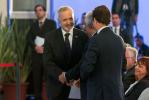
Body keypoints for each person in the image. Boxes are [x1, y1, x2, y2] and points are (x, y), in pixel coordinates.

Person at [79, 5, 124, 100]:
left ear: (94, 20)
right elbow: (124, 65)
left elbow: (87, 68)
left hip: (99, 94)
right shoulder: (119, 39)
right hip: (117, 93)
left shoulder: (95, 40)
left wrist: (80, 75)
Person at [43, 6, 88, 100]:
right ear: (59, 21)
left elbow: (85, 60)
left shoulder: (83, 36)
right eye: (65, 20)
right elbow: (48, 62)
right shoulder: (50, 37)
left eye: (70, 18)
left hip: (77, 85)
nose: (68, 22)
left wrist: (78, 77)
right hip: (56, 87)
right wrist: (61, 76)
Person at [59, 11, 96, 100]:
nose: (84, 29)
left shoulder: (92, 41)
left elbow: (84, 63)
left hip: (91, 87)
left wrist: (66, 76)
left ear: (89, 26)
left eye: (85, 26)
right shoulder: (110, 39)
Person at [27, 4, 56, 100]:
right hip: (36, 56)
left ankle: (49, 97)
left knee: (48, 78)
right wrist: (35, 47)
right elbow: (29, 38)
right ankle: (38, 97)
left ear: (44, 11)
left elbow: (53, 38)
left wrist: (44, 48)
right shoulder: (33, 25)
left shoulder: (51, 23)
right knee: (36, 79)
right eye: (36, 11)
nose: (38, 12)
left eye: (40, 10)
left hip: (47, 55)